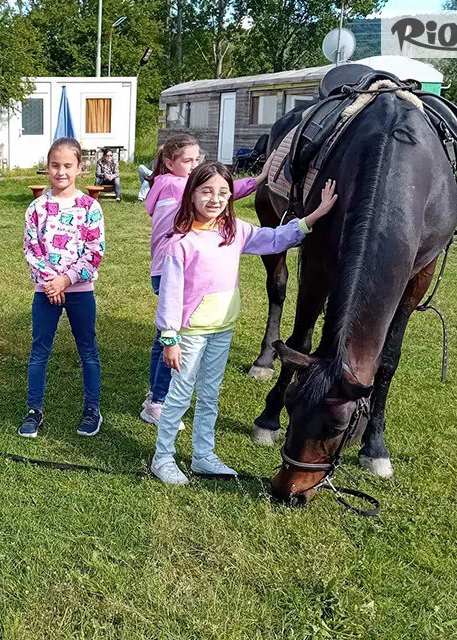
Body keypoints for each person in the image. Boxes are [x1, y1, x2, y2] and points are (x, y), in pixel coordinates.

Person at [150, 162, 338, 484]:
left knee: (210, 394)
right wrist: (170, 338)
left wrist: (315, 215)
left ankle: (203, 455)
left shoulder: (234, 231)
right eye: (206, 191)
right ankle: (163, 457)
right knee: (180, 395)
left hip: (222, 330)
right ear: (191, 194)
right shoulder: (180, 242)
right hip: (190, 334)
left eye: (223, 192)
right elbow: (169, 292)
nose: (215, 199)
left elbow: (275, 238)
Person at [141, 134, 270, 430]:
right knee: (172, 339)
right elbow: (217, 192)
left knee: (163, 337)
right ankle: (159, 402)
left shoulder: (161, 183)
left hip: (162, 267)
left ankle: (155, 395)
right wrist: (256, 180)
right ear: (169, 162)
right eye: (188, 161)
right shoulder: (177, 185)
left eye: (197, 159)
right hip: (176, 268)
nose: (194, 165)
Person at [19, 137, 105, 438]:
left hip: (80, 291)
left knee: (88, 350)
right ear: (47, 167)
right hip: (46, 292)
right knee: (39, 351)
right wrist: (50, 283)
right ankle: (34, 410)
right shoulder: (37, 207)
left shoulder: (90, 207)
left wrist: (65, 280)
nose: (61, 171)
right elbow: (31, 249)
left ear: (80, 168)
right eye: (55, 165)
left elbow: (95, 250)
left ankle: (92, 408)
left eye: (68, 165)